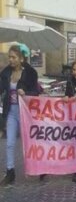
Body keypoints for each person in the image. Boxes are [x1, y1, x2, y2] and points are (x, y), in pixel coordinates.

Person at [0, 45, 39, 186]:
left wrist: (26, 93)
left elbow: (36, 92)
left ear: (21, 58)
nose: (10, 60)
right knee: (10, 143)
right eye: (9, 57)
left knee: (31, 141)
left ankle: (40, 167)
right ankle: (10, 171)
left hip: (26, 112)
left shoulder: (30, 73)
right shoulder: (5, 73)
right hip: (11, 111)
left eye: (13, 57)